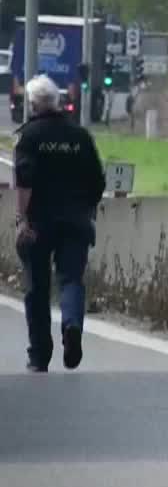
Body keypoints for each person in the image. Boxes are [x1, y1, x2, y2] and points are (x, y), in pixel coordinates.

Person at [13, 75, 107, 372]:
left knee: (36, 288)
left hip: (39, 223)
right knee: (71, 280)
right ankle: (71, 324)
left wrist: (21, 219)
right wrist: (86, 209)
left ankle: (40, 355)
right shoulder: (80, 136)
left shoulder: (29, 137)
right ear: (57, 101)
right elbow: (97, 180)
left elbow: (24, 182)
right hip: (76, 221)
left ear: (32, 105)